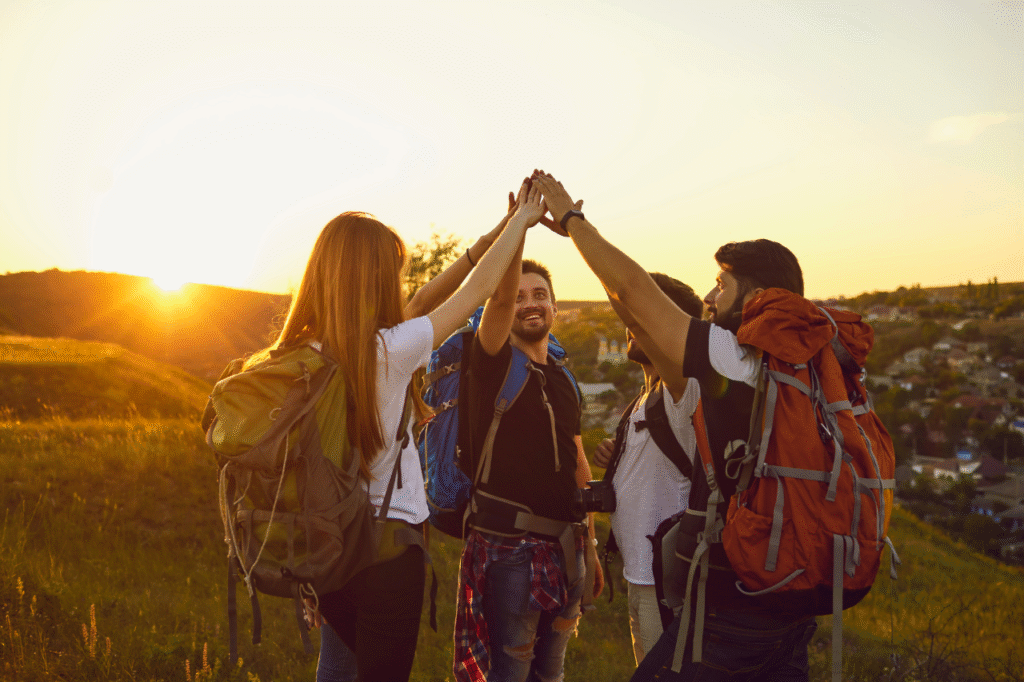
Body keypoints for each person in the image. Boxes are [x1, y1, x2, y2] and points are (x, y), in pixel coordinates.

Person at [532, 171, 818, 682]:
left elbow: (632, 293)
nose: (711, 297)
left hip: (711, 589)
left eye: (723, 284)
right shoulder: (790, 365)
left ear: (754, 296)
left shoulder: (729, 361)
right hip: (771, 588)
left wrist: (575, 223)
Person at [260, 179, 546, 682]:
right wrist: (522, 223)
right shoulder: (390, 352)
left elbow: (420, 301)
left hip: (327, 544)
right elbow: (477, 294)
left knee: (338, 664)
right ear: (373, 279)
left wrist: (495, 233)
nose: (400, 283)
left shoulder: (300, 355)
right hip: (387, 552)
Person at [453, 254, 605, 682]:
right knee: (509, 674)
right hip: (510, 552)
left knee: (551, 672)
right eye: (518, 297)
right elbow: (497, 306)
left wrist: (589, 546)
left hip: (567, 548)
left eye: (540, 294)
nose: (529, 303)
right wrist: (519, 225)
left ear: (555, 307)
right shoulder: (491, 366)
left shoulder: (563, 378)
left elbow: (578, 461)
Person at [592, 273, 703, 666]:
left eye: (645, 316)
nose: (632, 325)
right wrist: (618, 454)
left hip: (665, 583)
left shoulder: (683, 390)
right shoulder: (644, 399)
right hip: (640, 574)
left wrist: (575, 229)